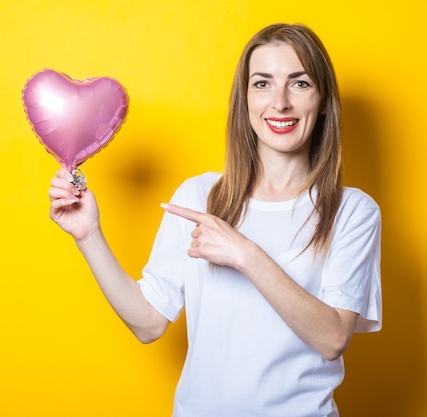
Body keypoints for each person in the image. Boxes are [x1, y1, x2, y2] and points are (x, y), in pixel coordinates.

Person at [48, 23, 381, 417]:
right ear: (245, 99)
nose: (280, 102)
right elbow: (149, 323)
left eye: (300, 83)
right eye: (262, 83)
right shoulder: (198, 196)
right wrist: (88, 236)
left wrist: (245, 254)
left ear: (323, 100)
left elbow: (332, 337)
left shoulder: (354, 211)